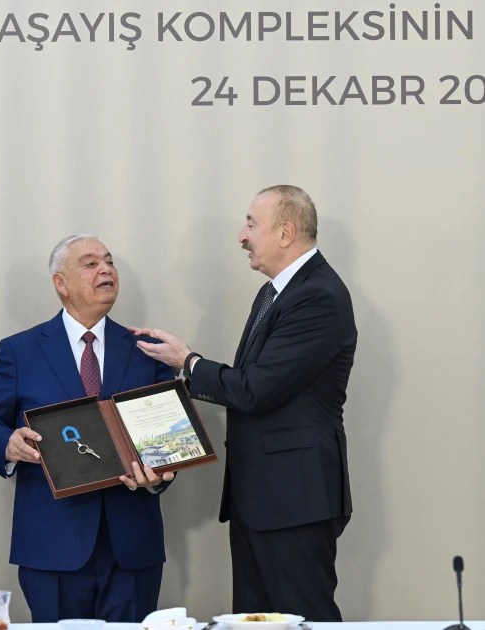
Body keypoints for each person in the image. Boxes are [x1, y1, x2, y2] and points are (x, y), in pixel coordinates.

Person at [133, 186, 355, 621]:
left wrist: (188, 362)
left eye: (251, 224)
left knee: (301, 616)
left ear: (285, 233)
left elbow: (255, 390)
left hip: (294, 500)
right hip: (261, 498)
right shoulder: (276, 293)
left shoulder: (318, 296)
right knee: (254, 620)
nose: (241, 236)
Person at [0, 235, 175, 623]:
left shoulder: (148, 349)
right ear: (60, 283)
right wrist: (8, 444)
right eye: (91, 263)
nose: (106, 269)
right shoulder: (21, 350)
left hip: (132, 544)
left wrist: (160, 474)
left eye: (110, 261)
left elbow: (168, 437)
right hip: (52, 543)